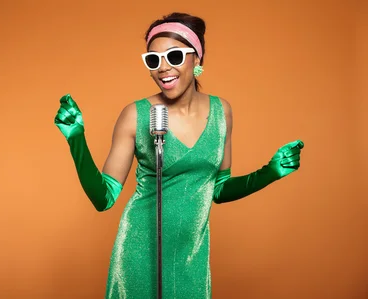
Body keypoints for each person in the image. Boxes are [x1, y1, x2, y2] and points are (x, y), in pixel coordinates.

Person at [53, 12, 304, 299]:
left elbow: (218, 189)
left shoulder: (223, 112)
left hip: (192, 257)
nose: (163, 68)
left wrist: (269, 173)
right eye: (153, 60)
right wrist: (76, 140)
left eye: (174, 57)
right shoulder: (135, 115)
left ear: (197, 59)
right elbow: (104, 198)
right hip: (139, 253)